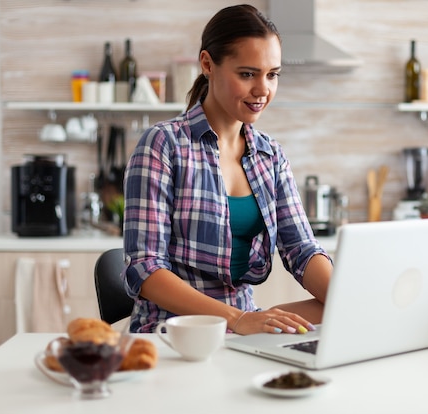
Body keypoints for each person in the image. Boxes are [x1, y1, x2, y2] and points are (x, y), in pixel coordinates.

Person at [122, 4, 333, 335]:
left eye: (272, 74)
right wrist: (236, 319)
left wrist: (347, 296)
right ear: (208, 64)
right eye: (248, 74)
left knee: (337, 310)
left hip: (243, 325)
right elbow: (146, 269)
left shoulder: (270, 156)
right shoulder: (163, 145)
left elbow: (302, 251)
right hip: (174, 332)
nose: (263, 90)